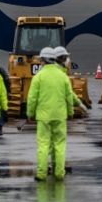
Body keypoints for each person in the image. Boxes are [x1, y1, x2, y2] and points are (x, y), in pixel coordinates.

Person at [27, 47, 75, 181]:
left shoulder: (38, 77)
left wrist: (30, 113)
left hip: (44, 117)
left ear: (43, 60)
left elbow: (32, 98)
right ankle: (59, 173)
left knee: (43, 145)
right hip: (60, 116)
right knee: (59, 145)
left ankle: (42, 174)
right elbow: (69, 96)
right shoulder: (63, 76)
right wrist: (70, 112)